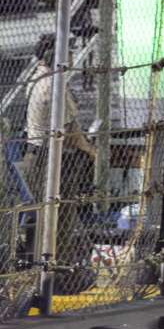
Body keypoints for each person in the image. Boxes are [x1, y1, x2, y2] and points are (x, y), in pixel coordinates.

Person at [24, 34, 96, 280]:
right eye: (68, 52)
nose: (73, 57)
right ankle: (55, 274)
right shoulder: (52, 85)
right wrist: (93, 152)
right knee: (61, 218)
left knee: (46, 216)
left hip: (38, 154)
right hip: (52, 158)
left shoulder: (39, 78)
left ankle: (41, 271)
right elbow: (72, 131)